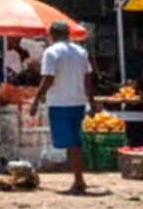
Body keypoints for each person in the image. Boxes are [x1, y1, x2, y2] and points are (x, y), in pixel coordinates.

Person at [30, 21, 96, 194]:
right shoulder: (81, 52)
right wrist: (92, 101)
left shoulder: (51, 53)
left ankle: (78, 179)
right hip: (78, 101)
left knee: (71, 142)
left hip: (59, 102)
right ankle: (78, 177)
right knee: (74, 141)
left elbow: (48, 78)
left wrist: (37, 100)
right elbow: (88, 78)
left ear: (51, 35)